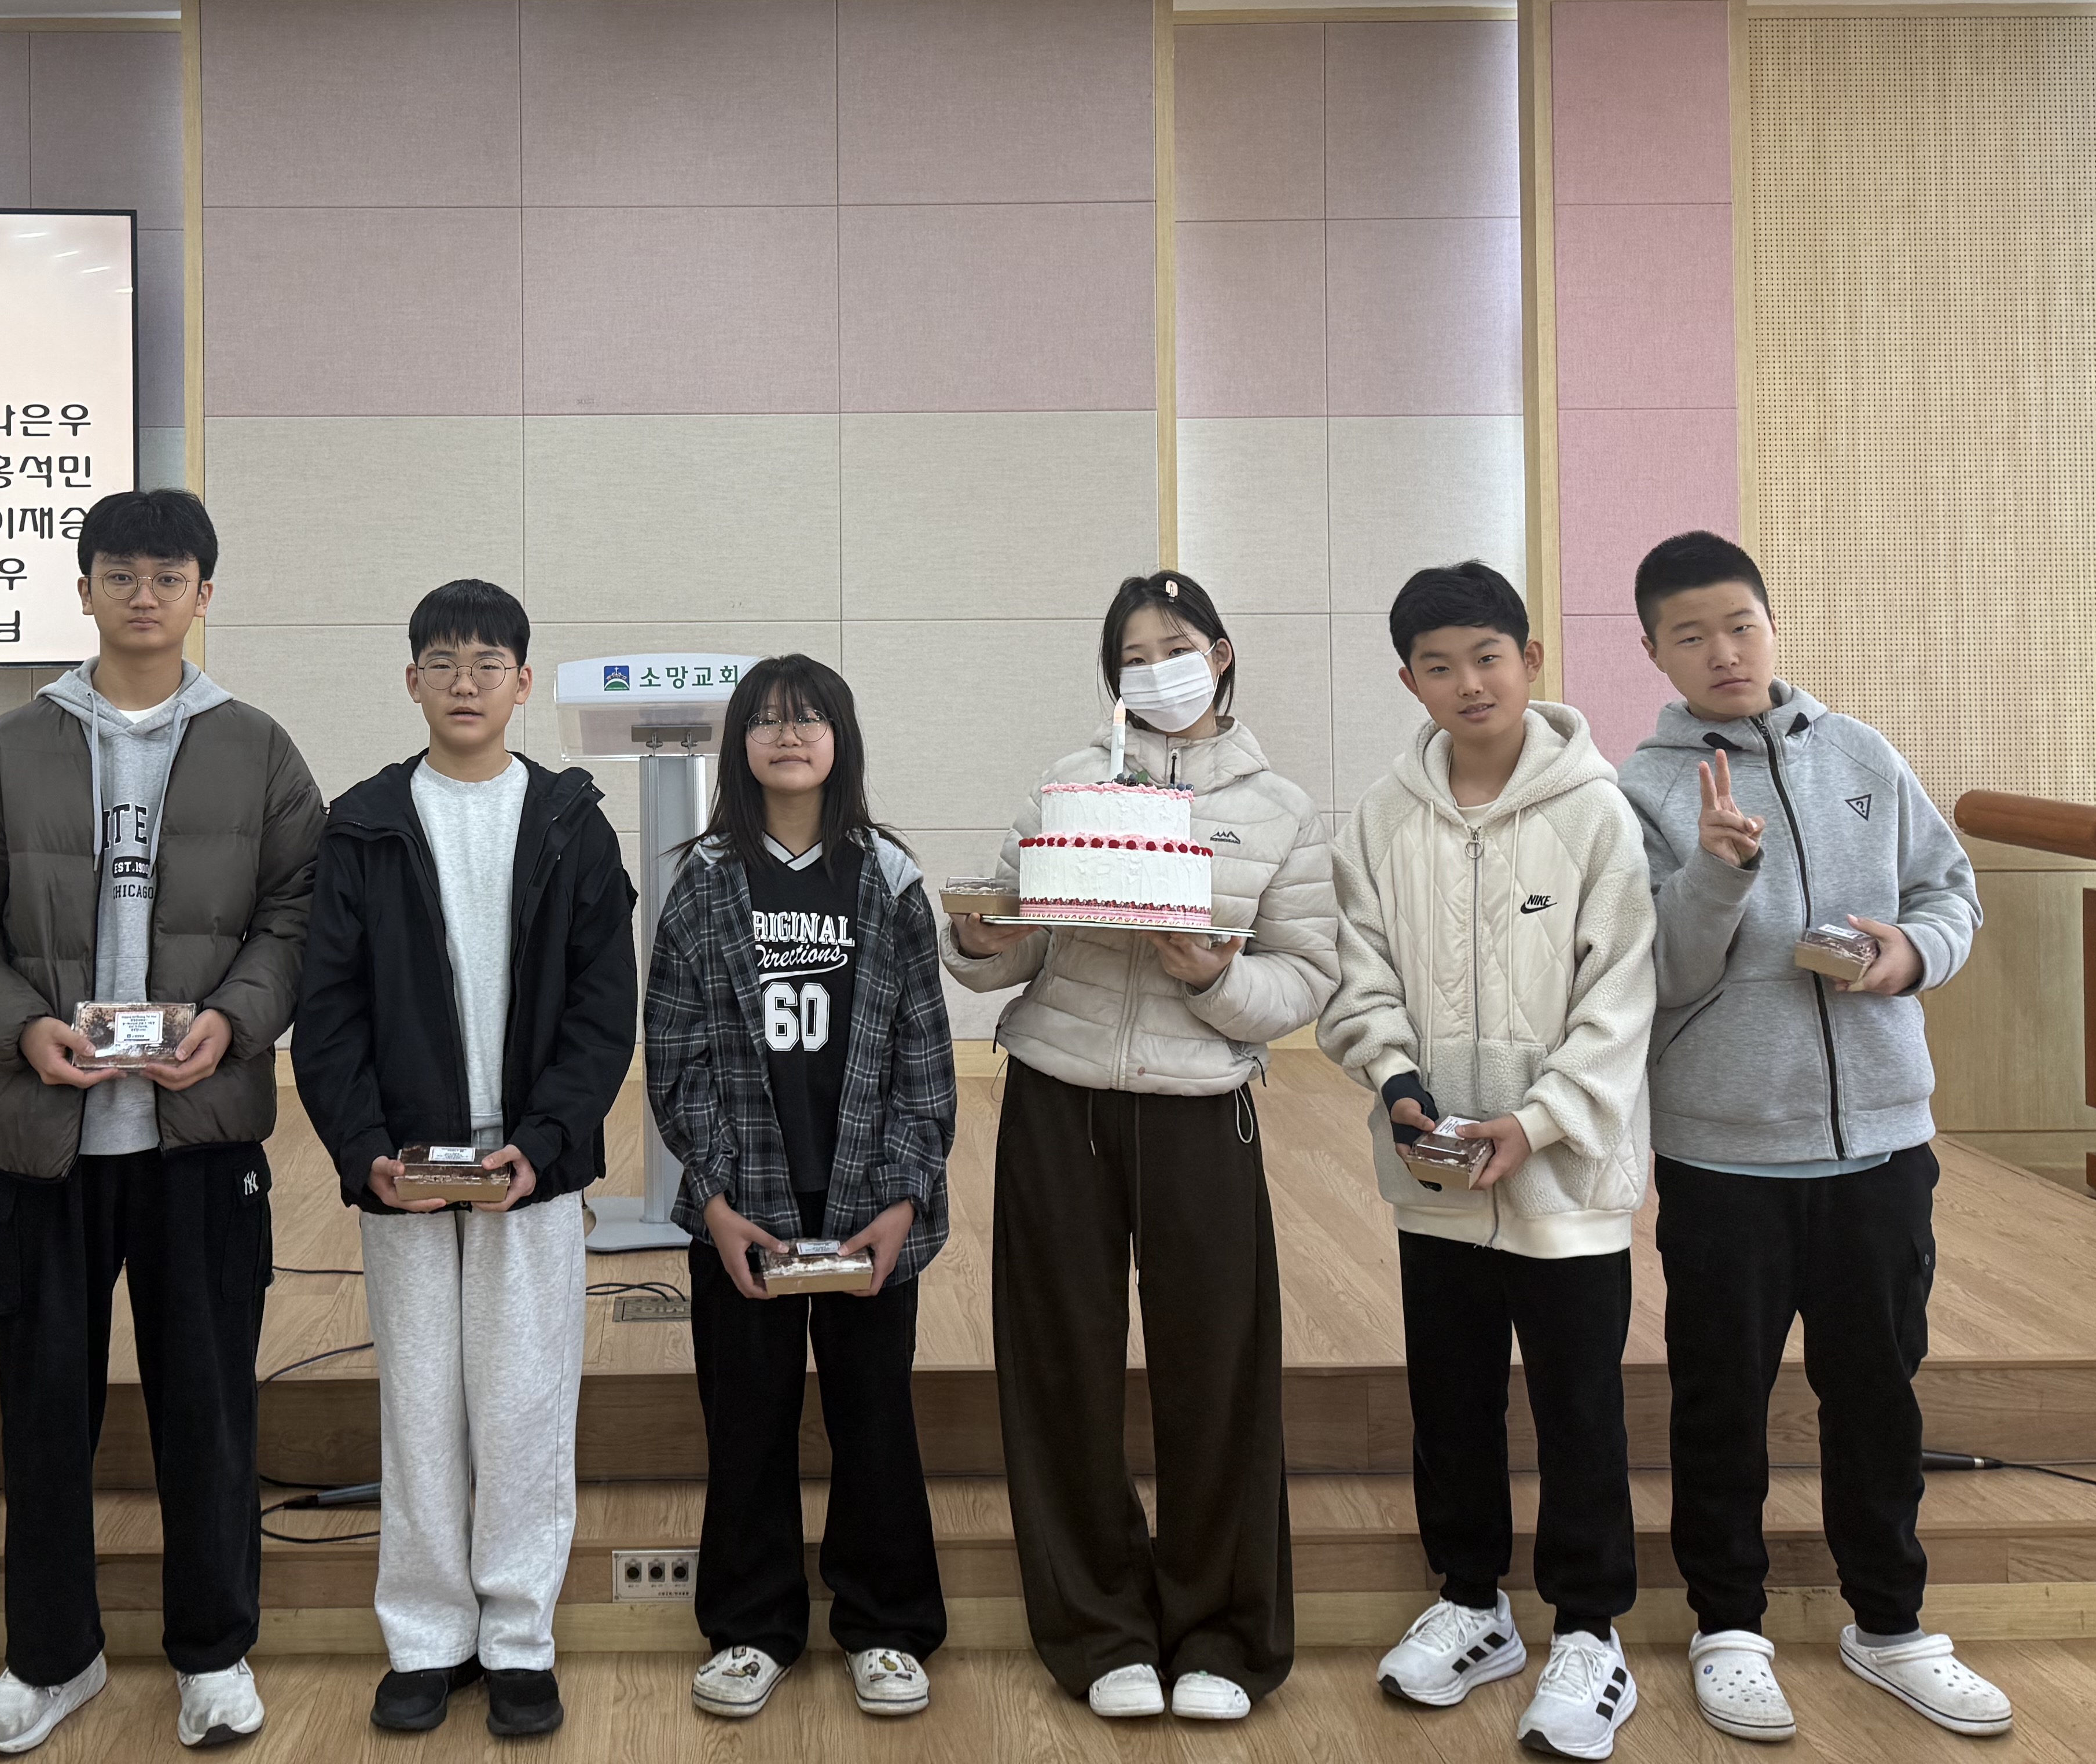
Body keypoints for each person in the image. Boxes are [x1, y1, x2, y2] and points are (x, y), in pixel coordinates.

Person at [0, 487, 325, 1757]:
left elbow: (301, 914)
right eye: (121, 575)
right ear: (83, 590)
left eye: (169, 576)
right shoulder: (8, 749)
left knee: (209, 1408)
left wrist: (235, 1020)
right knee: (42, 1414)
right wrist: (21, 1027)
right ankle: (51, 1660)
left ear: (204, 596)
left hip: (201, 1137)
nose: (145, 596)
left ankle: (214, 1655)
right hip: (39, 1144)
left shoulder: (258, 748)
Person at [1617, 529, 2009, 1743]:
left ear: (1772, 625)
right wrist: (1717, 876)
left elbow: (1950, 892)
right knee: (1720, 1401)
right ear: (1655, 652)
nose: (1723, 652)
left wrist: (1909, 952)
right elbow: (1659, 973)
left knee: (1878, 1393)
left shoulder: (1862, 755)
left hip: (1881, 1148)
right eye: (1691, 635)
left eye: (1740, 625)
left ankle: (1889, 1624)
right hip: (1724, 1153)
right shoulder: (1643, 788)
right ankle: (1727, 1627)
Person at [943, 569, 1336, 1723]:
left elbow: (1305, 977)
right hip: (1058, 1098)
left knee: (1216, 1372)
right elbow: (1018, 937)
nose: (1156, 669)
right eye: (1133, 655)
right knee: (1060, 1366)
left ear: (1220, 654)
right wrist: (982, 942)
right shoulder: (1067, 786)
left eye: (1176, 647)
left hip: (1201, 1108)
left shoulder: (1281, 808)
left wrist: (1215, 981)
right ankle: (1096, 1627)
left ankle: (1223, 1634)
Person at [1316, 563, 1657, 1761]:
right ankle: (1472, 1604)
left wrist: (1542, 1120)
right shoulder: (1382, 817)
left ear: (1531, 660)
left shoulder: (1597, 814)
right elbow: (1357, 973)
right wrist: (1397, 1082)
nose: (1469, 683)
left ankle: (1591, 1634)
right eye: (1440, 665)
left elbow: (1622, 995)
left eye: (1488, 657)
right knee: (1449, 1402)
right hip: (1437, 1181)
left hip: (1565, 1184)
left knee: (1579, 1409)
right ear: (1408, 680)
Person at [289, 579, 640, 1741]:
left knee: (526, 1403)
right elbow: (328, 1011)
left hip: (528, 1165)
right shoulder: (365, 823)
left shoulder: (571, 821)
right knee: (421, 1404)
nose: (465, 682)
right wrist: (364, 1152)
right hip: (406, 1170)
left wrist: (547, 1144)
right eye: (442, 662)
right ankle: (428, 1637)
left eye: (489, 662)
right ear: (411, 681)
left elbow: (603, 1008)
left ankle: (521, 1635)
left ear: (524, 683)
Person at [645, 655, 956, 1726]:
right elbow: (674, 1056)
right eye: (768, 720)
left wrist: (904, 1198)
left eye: (810, 718)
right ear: (738, 742)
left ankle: (885, 1625)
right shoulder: (702, 882)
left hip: (868, 1207)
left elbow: (927, 1057)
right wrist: (715, 1200)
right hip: (747, 1213)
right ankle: (751, 1626)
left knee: (877, 1420)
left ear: (841, 740)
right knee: (747, 1422)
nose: (788, 735)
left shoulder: (889, 879)